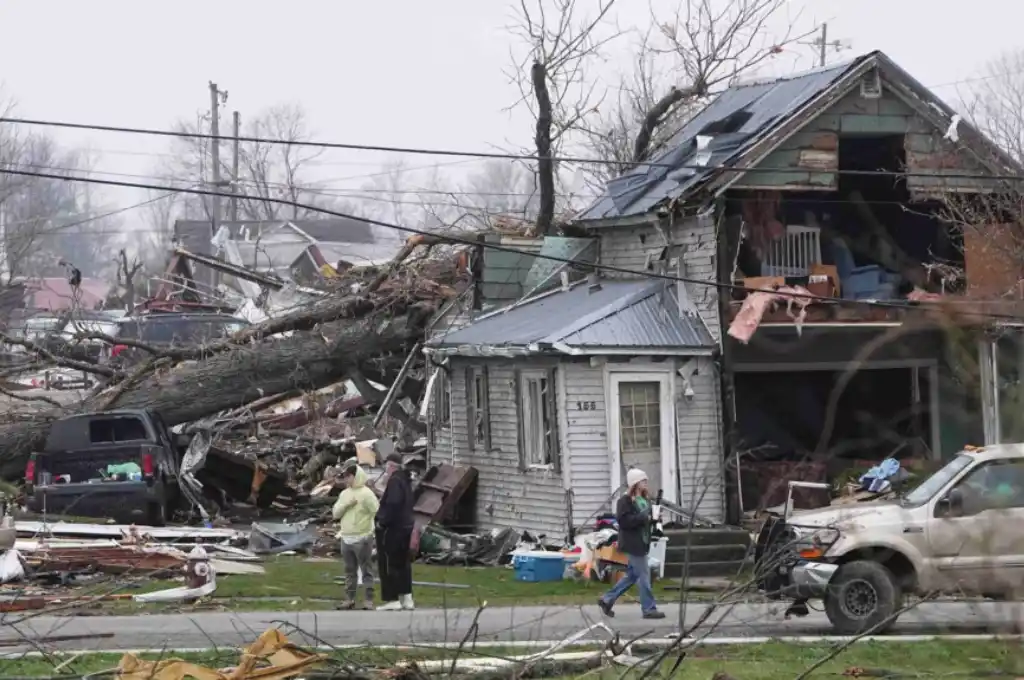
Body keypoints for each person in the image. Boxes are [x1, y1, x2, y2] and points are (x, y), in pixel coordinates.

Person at [597, 468, 665, 619]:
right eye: (643, 480)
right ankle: (649, 608)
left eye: (646, 480)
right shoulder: (625, 501)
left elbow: (646, 521)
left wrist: (655, 519)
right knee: (644, 575)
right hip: (633, 543)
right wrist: (644, 517)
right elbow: (624, 522)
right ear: (635, 483)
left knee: (632, 576)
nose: (646, 483)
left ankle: (607, 600)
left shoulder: (645, 500)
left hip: (643, 541)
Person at [332, 463, 380, 610]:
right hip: (346, 537)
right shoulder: (344, 494)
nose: (346, 479)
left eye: (349, 476)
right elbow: (335, 514)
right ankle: (349, 599)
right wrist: (347, 505)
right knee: (349, 570)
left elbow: (376, 511)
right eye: (345, 477)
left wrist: (371, 529)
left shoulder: (367, 494)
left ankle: (368, 600)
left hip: (363, 537)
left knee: (366, 570)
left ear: (356, 476)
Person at [375, 452, 415, 611]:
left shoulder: (394, 481)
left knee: (388, 563)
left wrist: (382, 521)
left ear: (391, 466)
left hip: (392, 529)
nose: (385, 469)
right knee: (403, 563)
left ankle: (392, 598)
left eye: (386, 466)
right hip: (406, 527)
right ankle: (407, 598)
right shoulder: (406, 480)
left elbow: (393, 503)